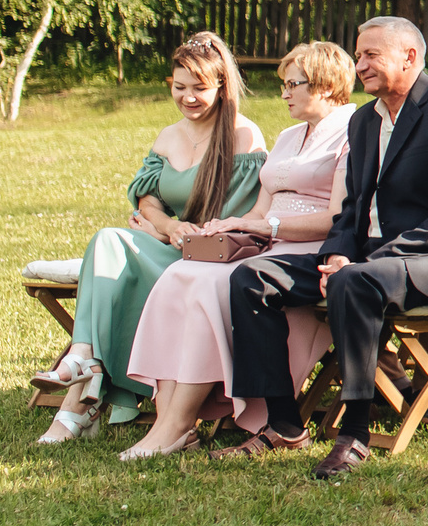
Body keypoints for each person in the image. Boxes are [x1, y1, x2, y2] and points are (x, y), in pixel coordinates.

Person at [217, 16, 428, 479]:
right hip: (368, 260)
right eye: (359, 54)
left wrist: (363, 262)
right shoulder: (364, 120)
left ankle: (355, 433)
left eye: (370, 55)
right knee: (251, 278)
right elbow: (351, 208)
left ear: (409, 57)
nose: (359, 64)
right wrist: (336, 253)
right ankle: (284, 422)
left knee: (353, 280)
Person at [119, 42, 359, 458]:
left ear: (324, 86)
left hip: (312, 249)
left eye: (293, 84)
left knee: (208, 285)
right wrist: (231, 226)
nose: (283, 93)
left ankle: (179, 422)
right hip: (268, 243)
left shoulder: (352, 132)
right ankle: (167, 420)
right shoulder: (288, 136)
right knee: (180, 274)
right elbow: (261, 209)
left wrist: (265, 226)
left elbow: (339, 216)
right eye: (284, 84)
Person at [32, 32, 267, 442]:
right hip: (171, 247)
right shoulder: (169, 136)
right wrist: (167, 228)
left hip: (209, 262)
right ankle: (84, 356)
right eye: (179, 87)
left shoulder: (243, 137)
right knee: (108, 239)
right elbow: (148, 204)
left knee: (115, 268)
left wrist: (164, 233)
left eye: (199, 88)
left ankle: (81, 402)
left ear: (221, 86)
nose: (187, 97)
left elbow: (235, 222)